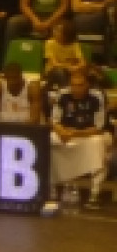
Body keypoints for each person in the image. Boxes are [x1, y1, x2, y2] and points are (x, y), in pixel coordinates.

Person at [50, 68, 110, 208]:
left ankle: (94, 194)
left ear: (87, 85)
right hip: (66, 132)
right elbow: (54, 120)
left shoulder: (97, 96)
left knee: (98, 143)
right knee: (49, 139)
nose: (76, 89)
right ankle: (51, 186)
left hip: (88, 134)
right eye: (73, 85)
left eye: (80, 85)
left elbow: (99, 127)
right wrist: (61, 131)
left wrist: (75, 134)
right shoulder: (62, 94)